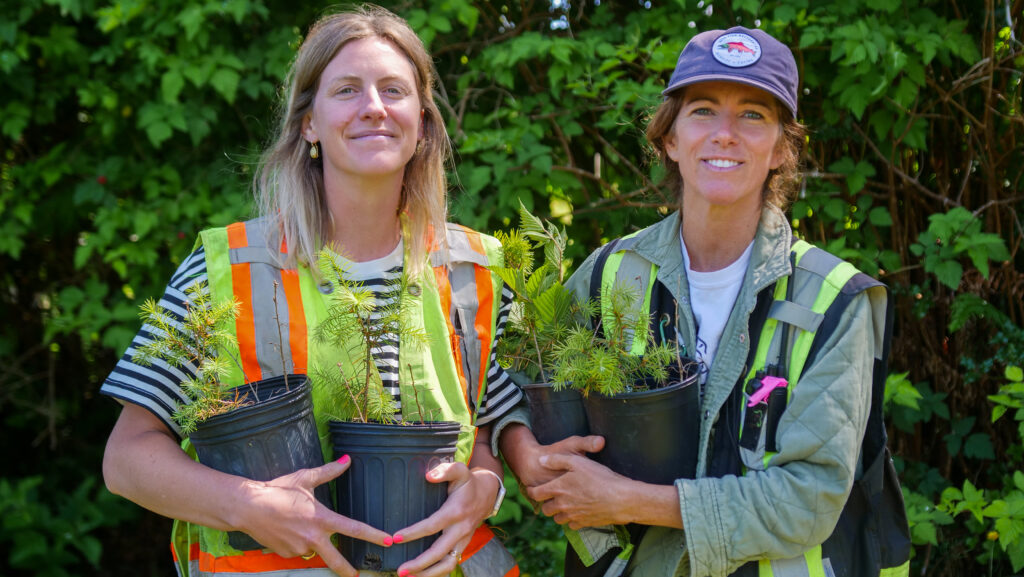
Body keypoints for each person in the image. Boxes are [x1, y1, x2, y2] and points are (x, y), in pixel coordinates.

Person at [101, 6, 522, 577]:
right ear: (309, 124)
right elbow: (126, 459)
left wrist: (487, 488)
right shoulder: (228, 268)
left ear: (422, 122)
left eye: (393, 90)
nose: (373, 106)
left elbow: (485, 432)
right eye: (346, 89)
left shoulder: (474, 269)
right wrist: (245, 505)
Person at [498, 26, 910, 576]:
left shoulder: (836, 300)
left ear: (781, 150)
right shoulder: (608, 273)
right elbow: (518, 389)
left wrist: (625, 499)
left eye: (753, 116)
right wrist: (526, 456)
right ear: (669, 138)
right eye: (703, 111)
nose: (725, 135)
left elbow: (807, 499)